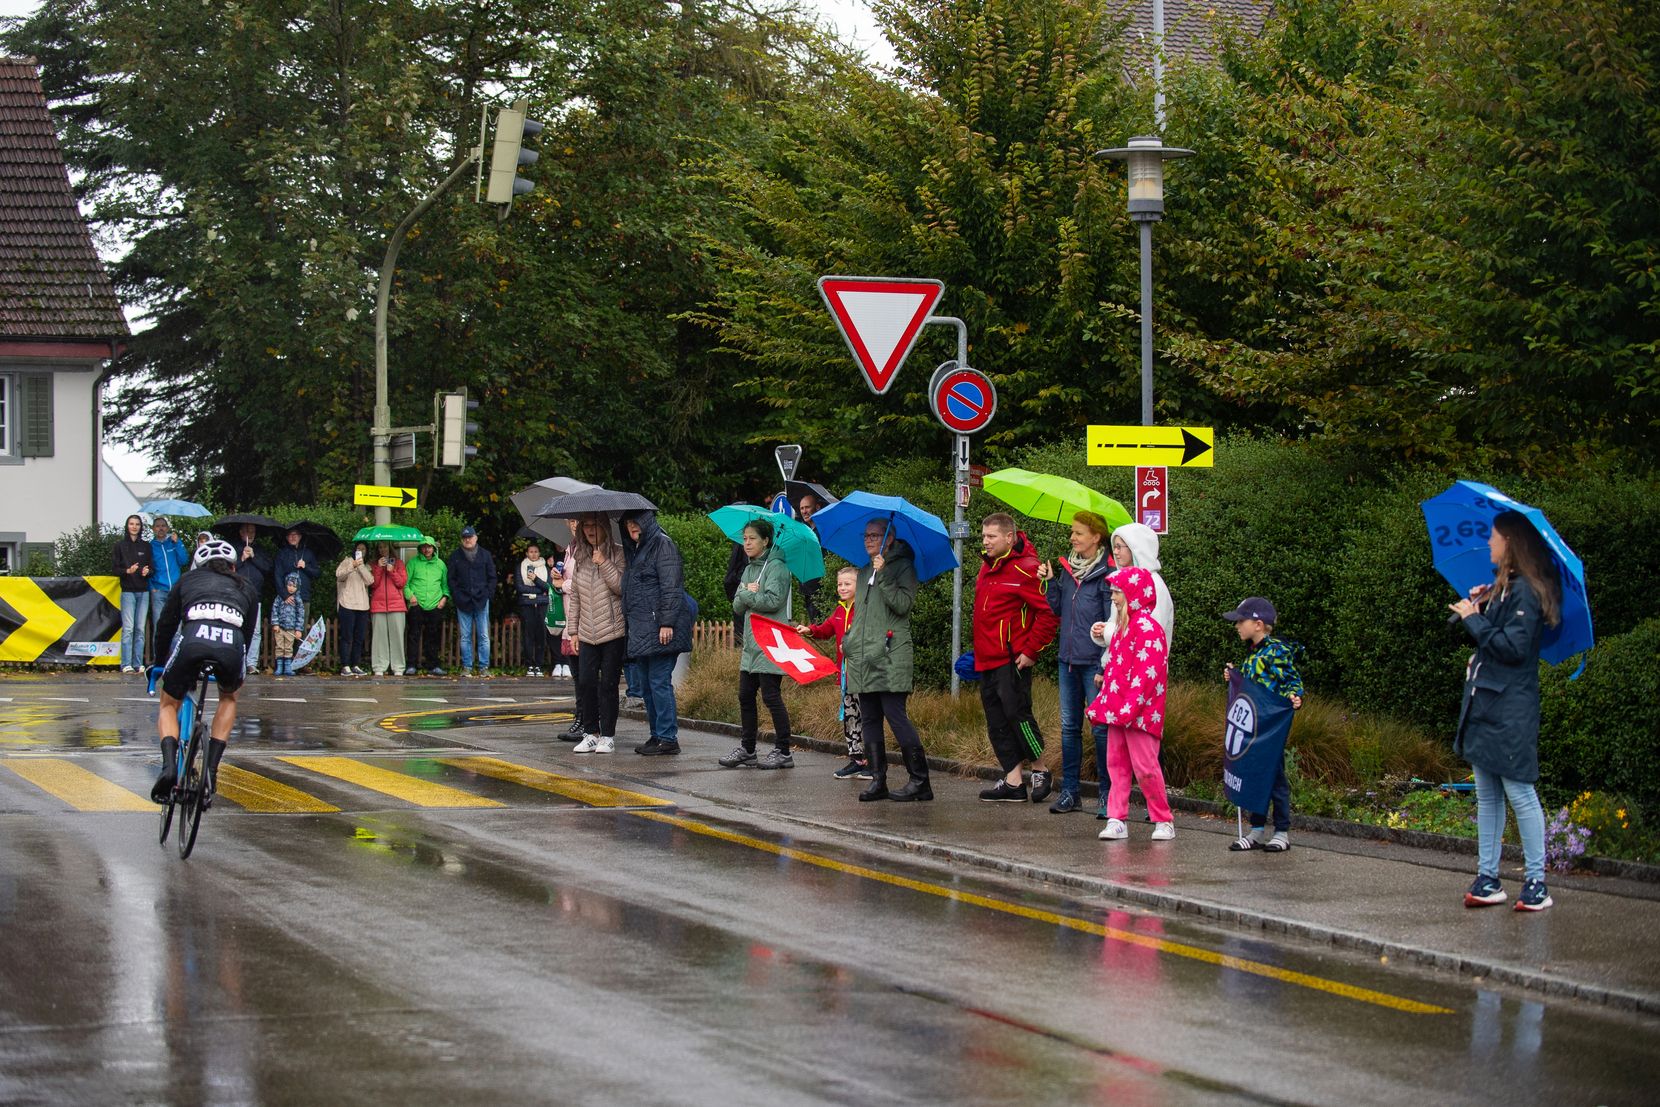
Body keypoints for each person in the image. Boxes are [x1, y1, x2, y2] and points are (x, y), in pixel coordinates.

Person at [1450, 511, 1562, 912]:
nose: (1491, 544)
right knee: (1487, 796)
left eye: (1495, 538)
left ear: (1511, 543)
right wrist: (1486, 602)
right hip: (1486, 705)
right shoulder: (1505, 590)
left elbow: (1513, 649)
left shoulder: (1528, 592)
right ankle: (1488, 878)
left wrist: (1476, 621)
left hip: (1510, 709)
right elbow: (1497, 640)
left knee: (1519, 792)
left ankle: (1536, 883)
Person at [149, 539, 259, 803]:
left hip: (193, 639)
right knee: (229, 697)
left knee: (168, 703)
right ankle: (210, 770)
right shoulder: (247, 586)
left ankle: (168, 768)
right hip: (231, 643)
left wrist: (159, 663)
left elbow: (165, 626)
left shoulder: (188, 580)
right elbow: (247, 633)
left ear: (198, 564)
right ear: (233, 565)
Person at [973, 512, 1059, 802]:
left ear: (1009, 538)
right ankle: (1013, 782)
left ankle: (1040, 769)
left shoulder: (1027, 569)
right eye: (984, 536)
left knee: (1017, 715)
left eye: (991, 536)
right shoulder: (987, 568)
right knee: (996, 720)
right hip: (986, 658)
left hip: (1013, 659)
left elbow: (1048, 616)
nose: (985, 542)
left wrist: (1031, 651)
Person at [1035, 511, 1115, 814]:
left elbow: (1111, 623)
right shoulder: (1068, 569)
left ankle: (1108, 795)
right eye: (1072, 532)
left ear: (1096, 537)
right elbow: (1056, 610)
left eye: (1078, 533)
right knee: (1069, 728)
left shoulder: (1108, 572)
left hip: (1094, 664)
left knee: (1100, 730)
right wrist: (1052, 581)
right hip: (1066, 661)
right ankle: (1070, 792)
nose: (1072, 538)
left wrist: (1103, 665)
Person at [844, 523, 930, 801]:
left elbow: (903, 605)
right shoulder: (863, 571)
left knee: (895, 716)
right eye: (866, 535)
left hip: (891, 654)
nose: (868, 540)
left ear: (889, 539)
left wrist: (884, 575)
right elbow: (862, 615)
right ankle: (877, 779)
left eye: (874, 536)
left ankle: (920, 781)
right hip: (864, 656)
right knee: (869, 718)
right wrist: (849, 641)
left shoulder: (903, 568)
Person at [1092, 567, 1177, 841]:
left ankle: (1163, 819)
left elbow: (1147, 677)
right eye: (1114, 591)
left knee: (1145, 766)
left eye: (1118, 592)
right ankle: (1117, 818)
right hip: (1120, 711)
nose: (1114, 597)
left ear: (1135, 594)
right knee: (1116, 764)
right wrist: (1106, 702)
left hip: (1141, 714)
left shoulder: (1149, 629)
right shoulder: (1123, 628)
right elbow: (1115, 670)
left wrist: (1128, 707)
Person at [1221, 596, 1304, 851]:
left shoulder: (1276, 651)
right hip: (1254, 730)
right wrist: (1235, 675)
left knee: (1275, 777)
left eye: (1241, 621)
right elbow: (1251, 683)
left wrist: (1295, 695)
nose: (1237, 626)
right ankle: (1256, 830)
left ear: (1258, 624)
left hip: (1269, 730)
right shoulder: (1253, 653)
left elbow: (1292, 679)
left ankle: (1281, 831)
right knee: (1254, 775)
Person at [720, 518, 796, 770]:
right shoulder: (750, 568)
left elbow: (772, 601)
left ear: (766, 540)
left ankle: (783, 751)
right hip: (752, 644)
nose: (747, 543)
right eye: (744, 539)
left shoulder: (778, 568)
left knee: (771, 696)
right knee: (745, 695)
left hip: (771, 641)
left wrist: (748, 593)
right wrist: (747, 594)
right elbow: (737, 605)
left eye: (752, 538)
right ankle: (748, 749)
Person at [620, 508, 694, 757]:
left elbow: (671, 586)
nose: (632, 527)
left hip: (661, 627)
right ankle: (657, 735)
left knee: (659, 683)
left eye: (636, 521)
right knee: (647, 686)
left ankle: (668, 738)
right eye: (629, 523)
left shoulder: (662, 544)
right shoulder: (637, 549)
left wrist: (667, 623)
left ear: (647, 520)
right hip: (642, 629)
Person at [797, 565, 865, 779]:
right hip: (844, 674)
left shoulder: (864, 609)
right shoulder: (839, 610)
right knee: (851, 717)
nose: (842, 588)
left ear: (859, 585)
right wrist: (810, 630)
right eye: (839, 584)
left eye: (847, 583)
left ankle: (872, 760)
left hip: (863, 673)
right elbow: (826, 629)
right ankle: (857, 760)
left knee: (866, 717)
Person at [567, 515, 627, 752]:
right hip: (586, 632)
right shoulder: (580, 556)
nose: (590, 530)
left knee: (609, 685)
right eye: (586, 526)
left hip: (613, 631)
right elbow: (576, 597)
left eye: (594, 526)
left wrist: (603, 562)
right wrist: (573, 631)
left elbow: (621, 587)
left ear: (604, 528)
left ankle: (608, 736)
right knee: (586, 682)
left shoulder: (618, 553)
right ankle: (591, 732)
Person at [447, 526, 497, 676]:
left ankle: (484, 667)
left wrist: (488, 594)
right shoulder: (455, 556)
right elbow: (451, 579)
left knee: (483, 635)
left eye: (470, 537)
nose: (467, 540)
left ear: (476, 538)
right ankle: (467, 667)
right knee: (465, 636)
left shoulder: (485, 555)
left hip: (482, 599)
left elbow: (492, 577)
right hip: (463, 600)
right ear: (462, 539)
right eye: (465, 537)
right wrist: (456, 595)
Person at [113, 514, 154, 672]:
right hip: (128, 591)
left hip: (143, 591)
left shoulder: (146, 546)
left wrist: (147, 571)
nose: (134, 526)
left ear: (141, 527)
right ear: (127, 526)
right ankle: (126, 664)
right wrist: (127, 571)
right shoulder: (120, 546)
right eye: (131, 523)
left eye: (137, 524)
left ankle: (138, 663)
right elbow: (115, 569)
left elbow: (151, 568)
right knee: (128, 629)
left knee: (140, 629)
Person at [403, 537, 449, 675]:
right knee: (413, 635)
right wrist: (410, 596)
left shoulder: (441, 565)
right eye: (424, 547)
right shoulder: (413, 563)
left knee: (433, 636)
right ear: (420, 548)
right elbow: (405, 584)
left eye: (429, 547)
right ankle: (411, 665)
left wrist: (444, 599)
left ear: (434, 548)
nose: (426, 549)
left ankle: (433, 665)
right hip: (417, 604)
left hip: (435, 605)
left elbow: (445, 585)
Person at [233, 523, 273, 674]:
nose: (250, 534)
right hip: (238, 594)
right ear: (241, 532)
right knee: (238, 627)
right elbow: (229, 567)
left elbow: (268, 568)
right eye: (246, 531)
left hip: (256, 595)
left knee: (255, 631)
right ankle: (238, 661)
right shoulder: (234, 548)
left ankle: (251, 663)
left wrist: (254, 556)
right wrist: (242, 557)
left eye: (252, 531)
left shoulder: (261, 550)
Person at [146, 517, 189, 652]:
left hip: (175, 591)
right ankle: (159, 659)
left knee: (176, 628)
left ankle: (174, 660)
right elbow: (147, 569)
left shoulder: (173, 543)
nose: (161, 528)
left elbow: (184, 560)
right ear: (153, 529)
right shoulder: (150, 546)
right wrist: (152, 588)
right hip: (158, 591)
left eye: (163, 526)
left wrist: (178, 543)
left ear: (167, 528)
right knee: (159, 627)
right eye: (157, 526)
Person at [368, 542, 408, 677]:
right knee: (379, 638)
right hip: (378, 605)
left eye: (385, 547)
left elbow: (401, 583)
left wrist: (392, 571)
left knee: (397, 637)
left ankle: (398, 667)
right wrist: (379, 568)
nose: (382, 549)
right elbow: (373, 584)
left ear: (389, 548)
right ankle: (379, 666)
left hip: (396, 605)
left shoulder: (399, 563)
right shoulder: (373, 564)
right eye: (380, 547)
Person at [335, 541, 373, 675]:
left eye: (363, 550)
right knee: (347, 636)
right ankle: (345, 665)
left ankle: (355, 664)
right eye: (358, 549)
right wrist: (353, 565)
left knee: (359, 637)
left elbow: (370, 581)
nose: (361, 551)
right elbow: (339, 576)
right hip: (347, 603)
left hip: (362, 605)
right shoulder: (347, 561)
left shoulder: (367, 566)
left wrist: (361, 566)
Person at [273, 527, 322, 625]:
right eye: (290, 535)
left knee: (301, 631)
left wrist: (305, 567)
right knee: (287, 630)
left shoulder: (308, 553)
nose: (293, 537)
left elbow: (317, 573)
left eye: (295, 535)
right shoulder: (282, 554)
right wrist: (285, 595)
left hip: (303, 597)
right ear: (286, 537)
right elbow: (277, 575)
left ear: (300, 536)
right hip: (287, 599)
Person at [515, 542, 550, 676]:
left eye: (536, 551)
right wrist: (539, 591)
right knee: (528, 634)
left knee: (541, 634)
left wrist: (535, 579)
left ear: (539, 553)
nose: (533, 554)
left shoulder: (546, 567)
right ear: (526, 553)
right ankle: (529, 664)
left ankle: (539, 665)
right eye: (531, 551)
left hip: (542, 604)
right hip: (526, 604)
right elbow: (520, 587)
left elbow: (548, 587)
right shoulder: (521, 567)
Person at [270, 572, 306, 676]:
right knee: (280, 647)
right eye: (289, 585)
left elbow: (300, 615)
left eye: (294, 586)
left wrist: (298, 629)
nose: (291, 588)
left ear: (297, 587)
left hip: (291, 629)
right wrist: (275, 623)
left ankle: (287, 666)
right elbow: (274, 610)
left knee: (288, 648)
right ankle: (279, 666)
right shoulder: (280, 597)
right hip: (280, 628)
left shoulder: (298, 600)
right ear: (286, 585)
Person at [797, 492, 824, 624]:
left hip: (819, 588)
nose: (804, 511)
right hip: (808, 588)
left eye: (807, 507)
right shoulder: (807, 531)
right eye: (802, 508)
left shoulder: (822, 530)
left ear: (817, 507)